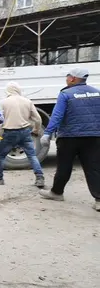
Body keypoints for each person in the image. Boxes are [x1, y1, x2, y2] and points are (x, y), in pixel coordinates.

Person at [38, 67, 100, 210]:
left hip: (69, 137)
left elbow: (57, 115)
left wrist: (47, 133)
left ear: (72, 78)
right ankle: (99, 199)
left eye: (67, 76)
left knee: (64, 166)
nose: (66, 79)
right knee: (94, 167)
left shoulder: (66, 93)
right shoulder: (97, 93)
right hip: (93, 137)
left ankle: (57, 193)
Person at [0, 82, 45, 187]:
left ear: (7, 91)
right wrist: (36, 130)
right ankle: (39, 178)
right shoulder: (27, 101)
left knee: (1, 156)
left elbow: (0, 121)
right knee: (32, 155)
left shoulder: (3, 102)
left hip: (9, 133)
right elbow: (38, 118)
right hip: (25, 132)